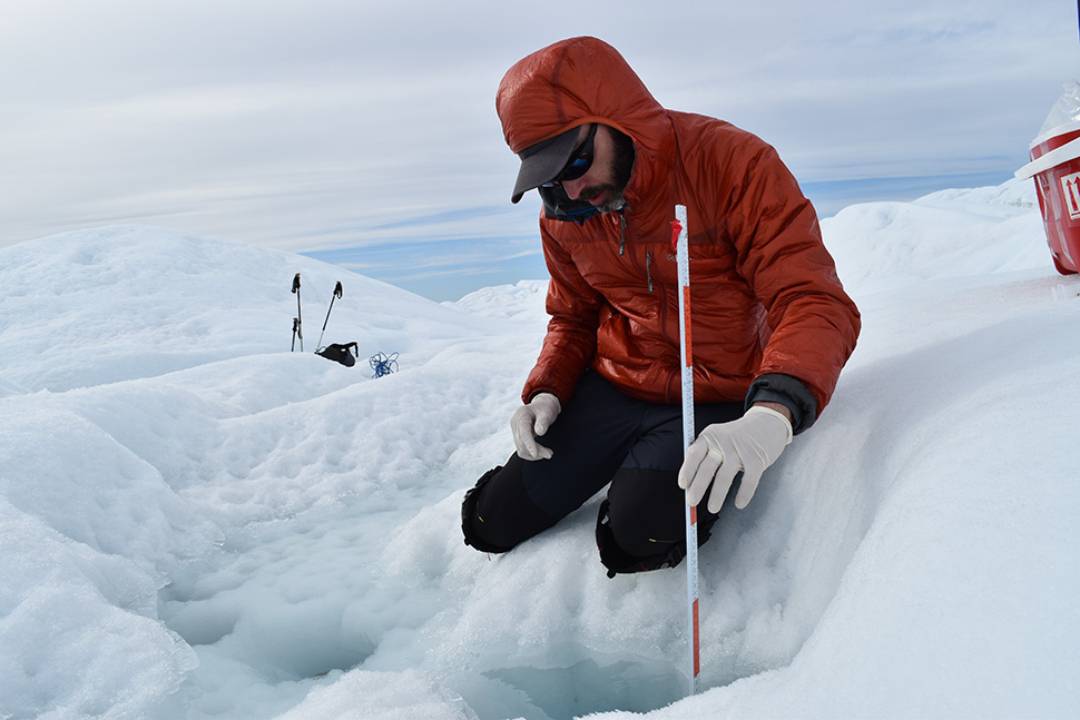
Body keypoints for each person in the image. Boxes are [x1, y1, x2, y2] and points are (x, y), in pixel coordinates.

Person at [461, 36, 860, 577]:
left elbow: (811, 299)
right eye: (550, 175)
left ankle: (640, 488)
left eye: (576, 159)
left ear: (619, 118)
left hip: (718, 390)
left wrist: (774, 411)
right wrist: (547, 391)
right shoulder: (564, 213)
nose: (572, 188)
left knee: (638, 535)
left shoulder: (732, 164)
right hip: (618, 382)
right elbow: (573, 315)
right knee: (490, 523)